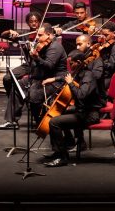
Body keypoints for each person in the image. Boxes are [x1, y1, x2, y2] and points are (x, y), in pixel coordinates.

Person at [43, 34, 105, 168]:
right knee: (55, 113)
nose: (70, 66)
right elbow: (67, 76)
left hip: (89, 115)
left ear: (78, 63)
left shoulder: (88, 76)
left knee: (54, 122)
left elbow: (81, 95)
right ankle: (59, 150)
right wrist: (54, 79)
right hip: (81, 110)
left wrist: (71, 84)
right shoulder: (79, 72)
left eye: (71, 63)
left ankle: (62, 157)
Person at [0, 24, 67, 129]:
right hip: (40, 77)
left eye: (40, 35)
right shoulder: (44, 45)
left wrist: (37, 58)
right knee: (17, 85)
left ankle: (41, 122)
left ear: (49, 35)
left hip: (53, 80)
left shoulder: (55, 47)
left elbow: (49, 66)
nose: (37, 37)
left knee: (34, 94)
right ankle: (12, 121)